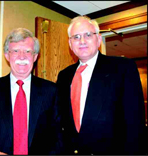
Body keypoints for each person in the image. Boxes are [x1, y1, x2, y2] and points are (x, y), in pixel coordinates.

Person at [57, 16, 146, 155]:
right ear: (70, 43)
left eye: (87, 35)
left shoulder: (123, 68)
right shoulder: (64, 76)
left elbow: (135, 124)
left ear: (98, 39)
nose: (82, 41)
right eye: (76, 37)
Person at [0, 28, 63, 155]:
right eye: (15, 51)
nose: (22, 56)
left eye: (28, 51)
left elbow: (58, 135)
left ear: (35, 56)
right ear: (7, 55)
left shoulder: (51, 90)